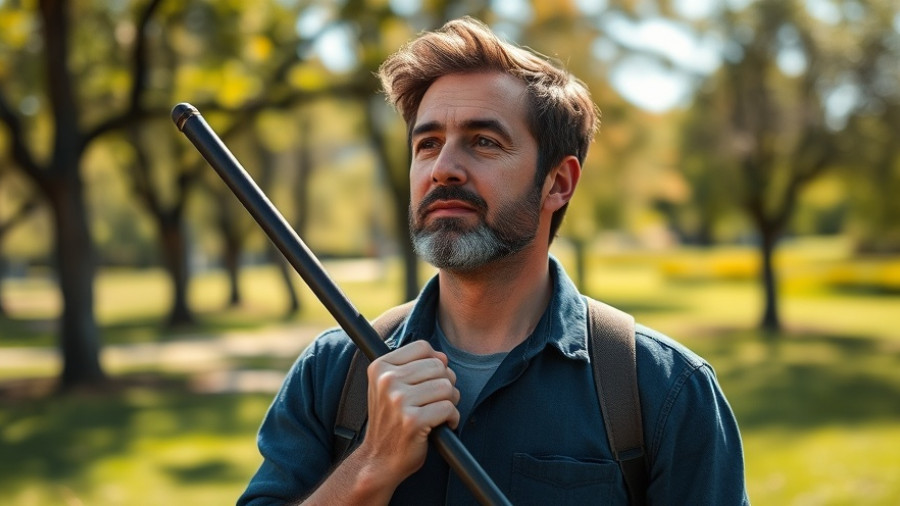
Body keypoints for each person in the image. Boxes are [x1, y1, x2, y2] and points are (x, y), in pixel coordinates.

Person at [238, 17, 749, 505]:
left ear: (558, 182)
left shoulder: (662, 392)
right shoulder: (335, 373)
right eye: (428, 144)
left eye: (484, 142)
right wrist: (372, 464)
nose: (444, 169)